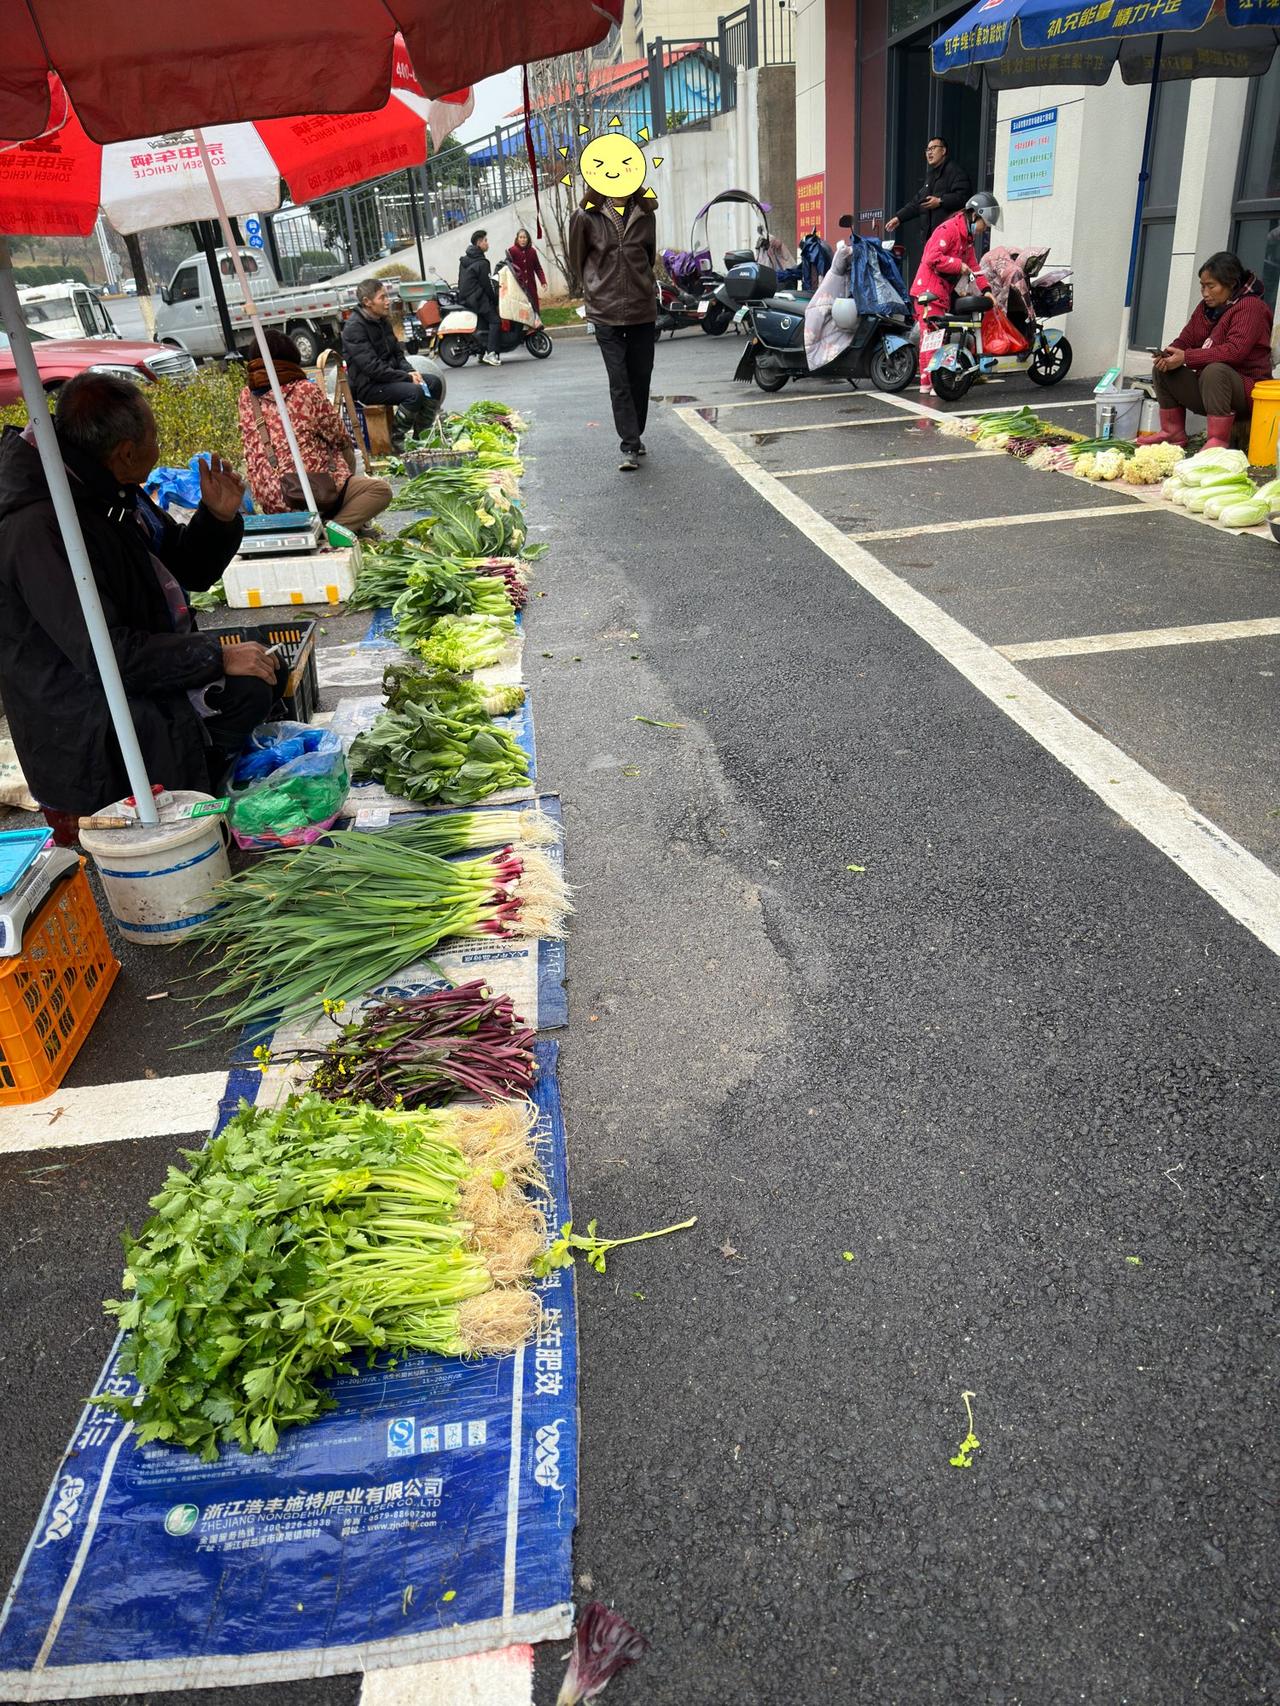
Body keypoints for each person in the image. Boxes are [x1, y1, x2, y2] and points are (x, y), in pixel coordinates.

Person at [0, 374, 279, 834]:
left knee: (262, 660)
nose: (159, 450)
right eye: (154, 440)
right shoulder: (39, 526)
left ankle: (205, 782)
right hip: (88, 722)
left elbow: (188, 567)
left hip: (136, 672)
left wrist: (219, 516)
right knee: (246, 685)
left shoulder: (109, 491)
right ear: (125, 451)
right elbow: (105, 654)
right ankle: (187, 807)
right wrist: (216, 657)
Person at [237, 329, 391, 537]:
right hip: (311, 493)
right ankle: (332, 531)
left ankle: (334, 520)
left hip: (271, 500)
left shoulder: (247, 397)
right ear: (291, 358)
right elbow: (340, 437)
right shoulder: (304, 390)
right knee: (379, 490)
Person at [1142, 250, 1275, 449]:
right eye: (1202, 286)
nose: (1205, 293)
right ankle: (1173, 433)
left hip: (1248, 390)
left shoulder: (1251, 307)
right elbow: (1187, 338)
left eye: (1211, 286)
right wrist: (1170, 355)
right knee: (1162, 370)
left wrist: (1186, 357)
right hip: (1211, 390)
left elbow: (1235, 351)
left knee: (1215, 370)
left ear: (1231, 284)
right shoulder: (1207, 308)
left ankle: (1218, 441)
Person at [570, 187, 659, 472]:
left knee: (640, 376)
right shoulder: (585, 216)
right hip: (605, 309)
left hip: (641, 308)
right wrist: (594, 287)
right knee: (619, 379)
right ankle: (630, 444)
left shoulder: (646, 212)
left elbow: (649, 255)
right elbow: (577, 259)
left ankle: (636, 431)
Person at [910, 191, 1000, 393]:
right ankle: (930, 383)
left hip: (939, 293)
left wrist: (986, 290)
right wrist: (957, 265)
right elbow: (932, 257)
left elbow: (975, 267)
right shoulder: (949, 229)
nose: (983, 229)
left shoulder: (966, 239)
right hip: (927, 291)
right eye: (984, 224)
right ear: (975, 215)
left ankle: (930, 384)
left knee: (935, 336)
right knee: (931, 337)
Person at [342, 278, 445, 447]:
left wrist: (411, 372)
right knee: (414, 392)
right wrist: (405, 377)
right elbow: (372, 368)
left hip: (389, 379)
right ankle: (396, 440)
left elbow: (398, 355)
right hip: (369, 386)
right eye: (382, 298)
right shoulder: (354, 328)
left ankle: (422, 438)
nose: (387, 301)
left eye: (387, 296)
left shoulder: (382, 321)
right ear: (367, 302)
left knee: (433, 383)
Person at [886, 137, 973, 242]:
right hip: (931, 240)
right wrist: (899, 218)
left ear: (943, 151)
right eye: (927, 150)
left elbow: (964, 198)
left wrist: (941, 201)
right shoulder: (931, 176)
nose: (929, 153)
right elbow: (918, 202)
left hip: (949, 239)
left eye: (933, 148)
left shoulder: (955, 171)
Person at [458, 229, 503, 366]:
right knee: (495, 321)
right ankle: (491, 353)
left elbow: (460, 280)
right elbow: (487, 285)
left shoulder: (465, 260)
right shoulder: (483, 262)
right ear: (479, 243)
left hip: (466, 298)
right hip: (477, 298)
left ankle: (482, 352)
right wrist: (495, 300)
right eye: (485, 240)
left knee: (484, 321)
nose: (487, 243)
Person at [505, 229, 547, 322]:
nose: (523, 240)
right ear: (517, 238)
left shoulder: (532, 251)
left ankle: (536, 331)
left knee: (534, 308)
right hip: (518, 287)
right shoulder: (512, 251)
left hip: (531, 287)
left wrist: (543, 281)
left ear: (528, 239)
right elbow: (508, 268)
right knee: (521, 311)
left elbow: (538, 268)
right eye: (521, 237)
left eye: (525, 237)